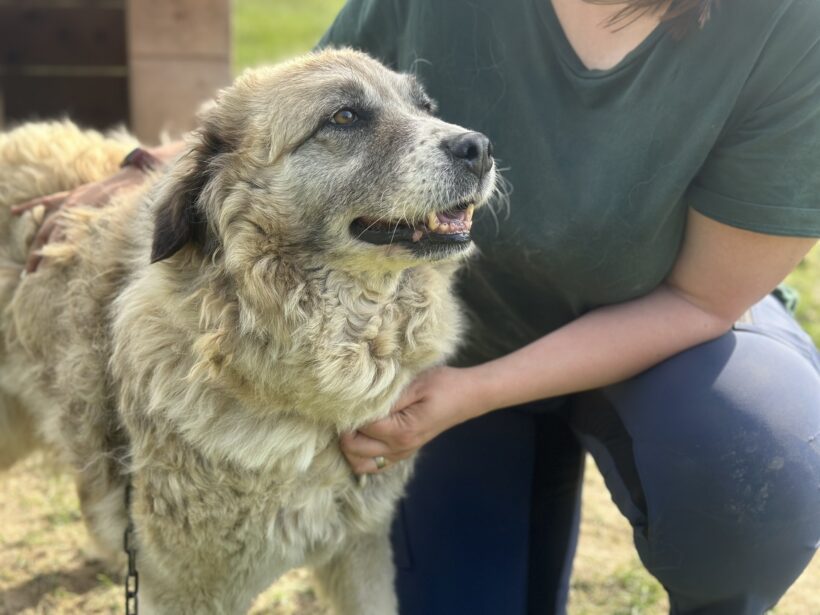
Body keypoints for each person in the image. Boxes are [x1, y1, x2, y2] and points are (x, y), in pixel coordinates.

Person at [14, 0, 820, 613]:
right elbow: (278, 118)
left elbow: (702, 297)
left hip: (663, 342)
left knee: (755, 462)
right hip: (466, 356)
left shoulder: (782, 22)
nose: (458, 138)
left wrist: (474, 391)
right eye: (356, 121)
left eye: (420, 106)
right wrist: (148, 171)